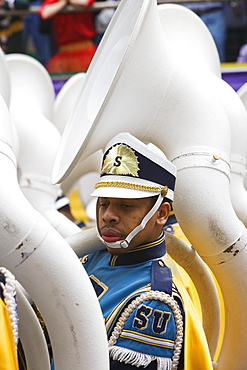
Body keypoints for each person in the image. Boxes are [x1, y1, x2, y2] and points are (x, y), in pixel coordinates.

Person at [81, 132, 184, 369]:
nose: (108, 215)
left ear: (161, 214)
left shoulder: (155, 300)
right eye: (104, 203)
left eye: (125, 206)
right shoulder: (88, 257)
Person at [39, 0, 97, 73]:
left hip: (86, 49)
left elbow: (88, 2)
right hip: (64, 52)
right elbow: (45, 13)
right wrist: (62, 2)